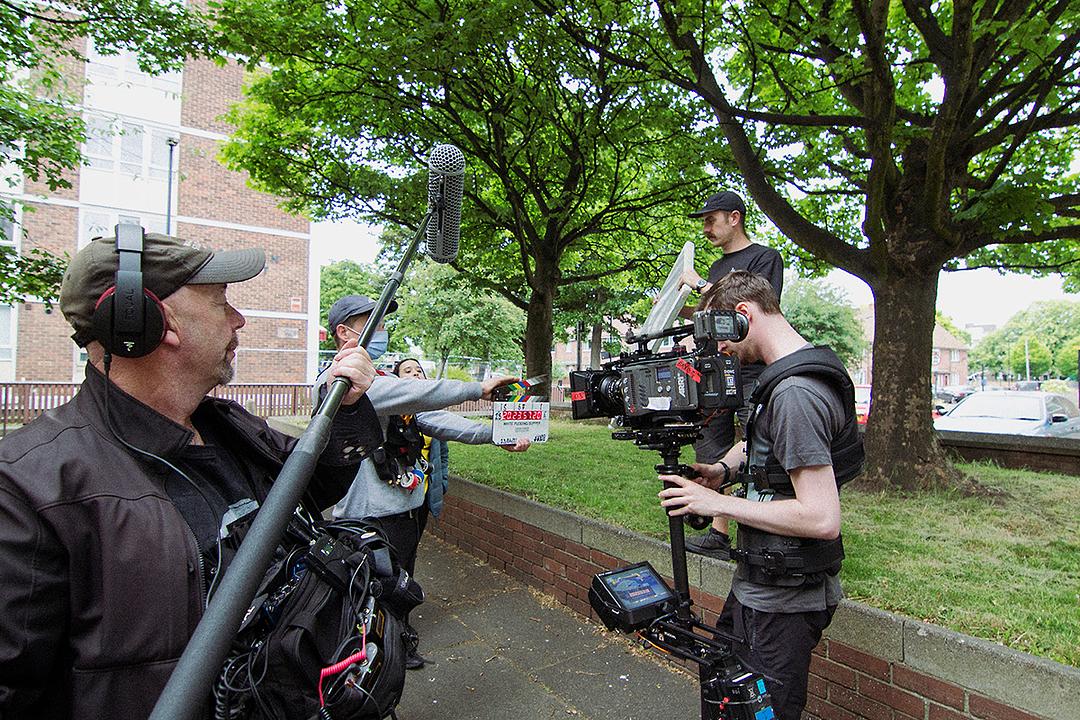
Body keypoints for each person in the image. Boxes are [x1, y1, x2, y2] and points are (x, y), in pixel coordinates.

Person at [0, 231, 379, 720]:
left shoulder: (227, 426)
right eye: (222, 302)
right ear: (153, 320)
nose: (239, 319)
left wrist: (346, 409)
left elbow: (313, 488)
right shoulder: (28, 489)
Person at [658, 270, 863, 720]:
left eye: (717, 332)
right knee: (726, 693)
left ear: (743, 315)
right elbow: (761, 442)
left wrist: (716, 504)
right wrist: (720, 471)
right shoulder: (784, 375)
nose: (718, 349)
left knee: (763, 712)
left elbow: (822, 516)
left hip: (785, 599)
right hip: (763, 581)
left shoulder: (795, 394)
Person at [315, 295, 530, 669]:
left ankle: (400, 646)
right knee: (372, 592)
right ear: (344, 332)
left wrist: (495, 433)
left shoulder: (381, 380)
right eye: (375, 323)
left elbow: (433, 419)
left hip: (409, 509)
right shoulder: (337, 383)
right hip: (369, 518)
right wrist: (474, 388)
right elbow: (411, 393)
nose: (382, 331)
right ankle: (369, 662)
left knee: (403, 585)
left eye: (382, 324)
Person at [679, 190, 785, 559]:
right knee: (712, 448)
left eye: (712, 219)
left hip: (753, 371)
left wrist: (696, 285)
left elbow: (750, 311)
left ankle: (765, 526)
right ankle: (718, 534)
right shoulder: (714, 270)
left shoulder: (765, 258)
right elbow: (711, 314)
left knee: (758, 447)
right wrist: (680, 310)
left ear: (735, 218)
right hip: (715, 368)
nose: (706, 227)